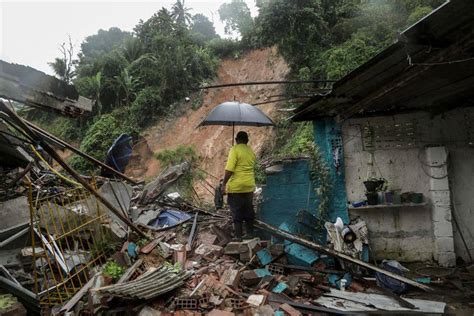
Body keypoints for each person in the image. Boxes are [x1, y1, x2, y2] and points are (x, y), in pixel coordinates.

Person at [222, 131, 256, 241]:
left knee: (236, 211)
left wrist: (224, 184)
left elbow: (229, 169)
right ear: (247, 140)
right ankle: (250, 234)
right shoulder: (250, 151)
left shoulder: (234, 150)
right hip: (249, 185)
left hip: (237, 187)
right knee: (248, 209)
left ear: (236, 140)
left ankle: (238, 236)